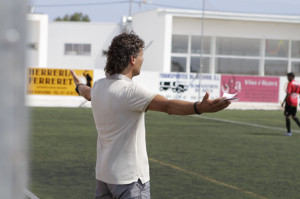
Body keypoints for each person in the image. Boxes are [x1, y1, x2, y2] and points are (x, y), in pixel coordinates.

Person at [70, 32, 231, 199]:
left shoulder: (98, 86)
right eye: (141, 55)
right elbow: (168, 106)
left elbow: (86, 92)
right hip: (130, 180)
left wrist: (79, 85)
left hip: (103, 178)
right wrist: (200, 107)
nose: (143, 59)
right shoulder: (130, 91)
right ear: (132, 59)